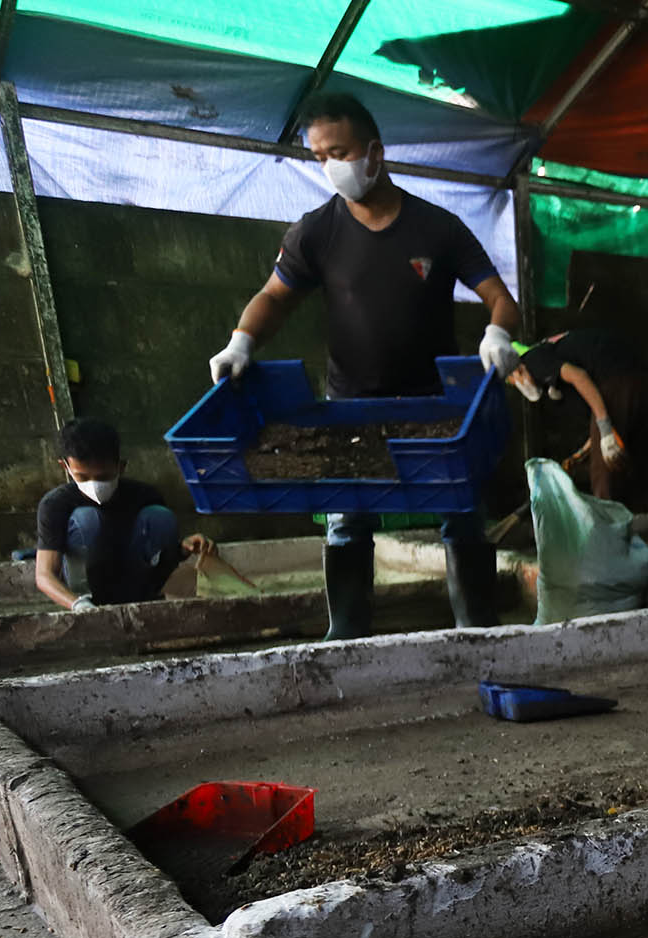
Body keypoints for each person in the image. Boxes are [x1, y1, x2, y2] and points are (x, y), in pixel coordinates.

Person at [207, 89, 523, 638]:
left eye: (340, 151)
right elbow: (274, 297)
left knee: (462, 515)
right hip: (350, 408)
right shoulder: (317, 231)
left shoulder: (438, 229)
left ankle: (478, 630)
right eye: (320, 156)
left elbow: (500, 296)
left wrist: (498, 333)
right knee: (347, 524)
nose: (331, 165)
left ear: (375, 152)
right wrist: (240, 342)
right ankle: (347, 637)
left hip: (435, 408)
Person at [32, 418, 209, 611]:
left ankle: (151, 595)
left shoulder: (144, 496)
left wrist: (183, 549)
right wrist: (77, 604)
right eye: (82, 476)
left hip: (134, 583)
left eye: (103, 477)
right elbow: (44, 575)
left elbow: (163, 556)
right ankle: (85, 598)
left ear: (120, 466)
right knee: (86, 519)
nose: (94, 484)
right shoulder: (55, 504)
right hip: (86, 593)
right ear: (65, 467)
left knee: (160, 517)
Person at [508, 326, 640, 503]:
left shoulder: (533, 359)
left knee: (603, 468)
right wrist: (581, 454)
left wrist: (605, 429)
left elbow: (578, 376)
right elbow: (597, 415)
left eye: (512, 379)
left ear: (517, 370)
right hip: (631, 367)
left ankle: (607, 527)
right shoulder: (552, 361)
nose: (516, 383)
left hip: (613, 372)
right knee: (641, 451)